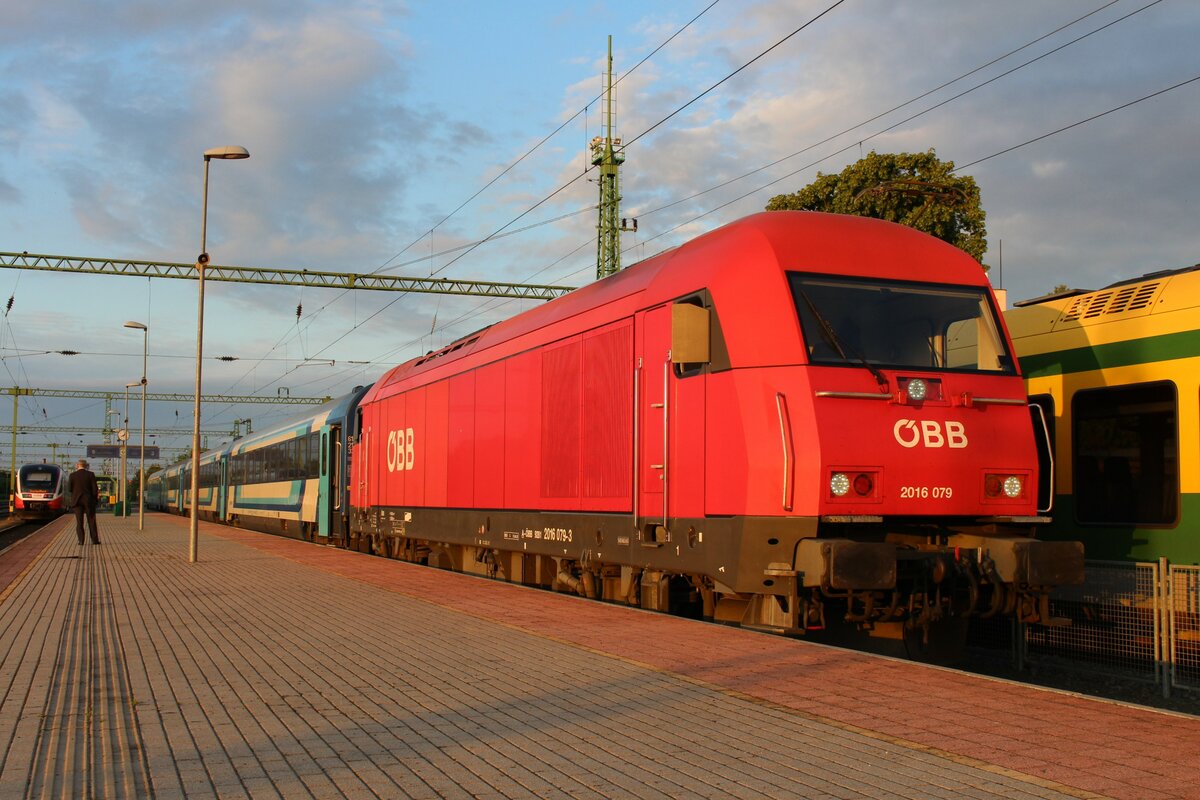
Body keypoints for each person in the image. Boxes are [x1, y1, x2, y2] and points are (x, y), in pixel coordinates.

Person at [67, 458, 101, 545]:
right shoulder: (90, 475)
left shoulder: (72, 475)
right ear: (86, 466)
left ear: (77, 466)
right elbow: (94, 489)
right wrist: (94, 499)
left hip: (77, 501)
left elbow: (69, 489)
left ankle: (81, 541)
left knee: (79, 522)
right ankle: (95, 540)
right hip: (88, 500)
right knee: (91, 520)